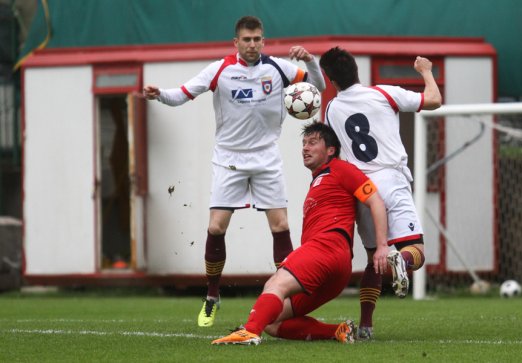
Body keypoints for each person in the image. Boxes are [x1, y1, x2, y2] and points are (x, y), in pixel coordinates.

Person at [143, 16, 326, 328]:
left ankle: (289, 298)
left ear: (263, 41)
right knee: (216, 227)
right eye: (247, 39)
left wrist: (311, 62)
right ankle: (213, 296)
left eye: (257, 39)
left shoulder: (280, 69)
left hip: (267, 158)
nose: (252, 44)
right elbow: (184, 93)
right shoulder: (220, 70)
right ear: (236, 42)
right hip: (229, 159)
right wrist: (159, 93)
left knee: (280, 225)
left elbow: (318, 87)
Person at [211, 122, 388, 345]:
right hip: (338, 268)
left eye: (313, 143)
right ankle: (338, 331)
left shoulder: (341, 168)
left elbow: (376, 201)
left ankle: (249, 332)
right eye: (303, 143)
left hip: (326, 247)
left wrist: (382, 246)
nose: (305, 148)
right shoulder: (320, 179)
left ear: (331, 150)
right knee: (272, 323)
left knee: (275, 285)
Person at [319, 47, 442, 340]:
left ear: (332, 80)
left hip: (362, 190)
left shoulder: (331, 109)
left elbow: (331, 151)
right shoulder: (384, 93)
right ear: (356, 70)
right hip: (391, 179)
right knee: (418, 253)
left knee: (374, 259)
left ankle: (366, 327)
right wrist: (425, 71)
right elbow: (434, 100)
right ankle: (403, 261)